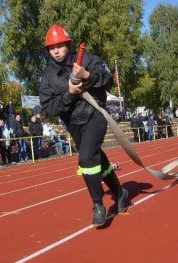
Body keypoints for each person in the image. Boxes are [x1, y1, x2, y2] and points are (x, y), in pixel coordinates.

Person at [39, 24, 127, 226]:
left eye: (60, 46)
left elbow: (108, 80)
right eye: (52, 48)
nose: (56, 51)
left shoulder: (87, 59)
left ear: (67, 45)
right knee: (97, 158)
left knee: (86, 157)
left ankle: (98, 205)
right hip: (73, 123)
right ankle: (119, 193)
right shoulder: (47, 77)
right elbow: (50, 107)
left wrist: (88, 75)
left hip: (95, 114)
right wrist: (70, 93)